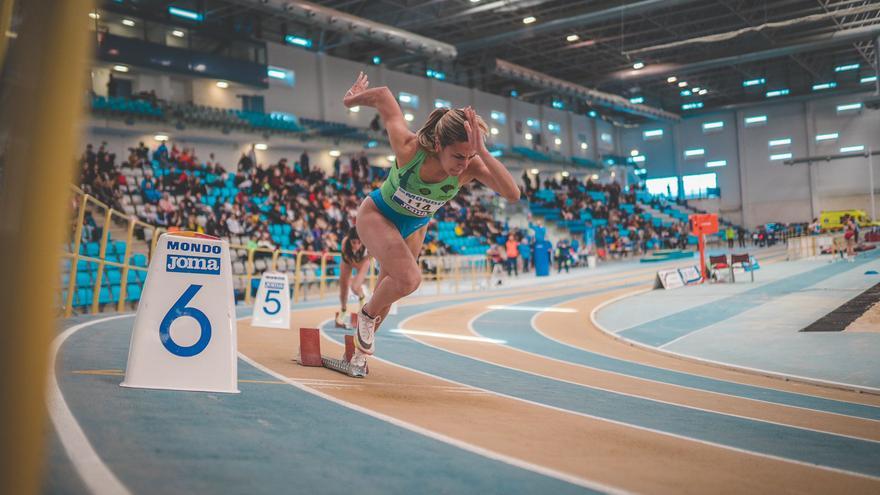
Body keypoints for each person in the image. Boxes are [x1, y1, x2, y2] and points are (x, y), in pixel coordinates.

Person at [343, 71, 520, 377]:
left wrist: (484, 152)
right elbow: (383, 96)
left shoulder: (472, 165)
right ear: (439, 143)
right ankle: (366, 315)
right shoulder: (410, 148)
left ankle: (358, 356)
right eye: (458, 156)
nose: (463, 164)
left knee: (390, 290)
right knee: (409, 280)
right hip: (378, 215)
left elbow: (512, 194)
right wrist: (352, 99)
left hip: (415, 226)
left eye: (470, 156)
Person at [335, 227, 371, 327]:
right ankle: (343, 310)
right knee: (343, 287)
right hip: (348, 261)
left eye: (358, 242)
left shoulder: (368, 242)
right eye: (353, 242)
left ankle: (362, 297)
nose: (356, 245)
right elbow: (347, 261)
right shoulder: (344, 243)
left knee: (354, 287)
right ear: (349, 240)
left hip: (363, 261)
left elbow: (368, 258)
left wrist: (358, 268)